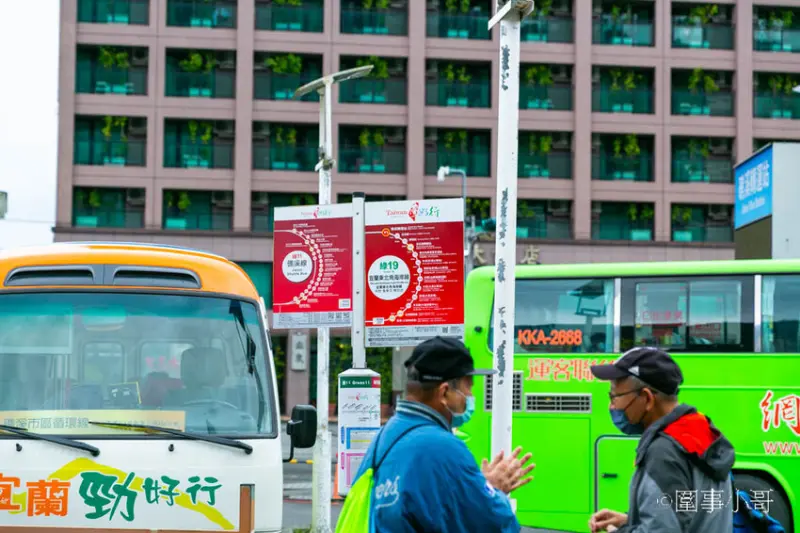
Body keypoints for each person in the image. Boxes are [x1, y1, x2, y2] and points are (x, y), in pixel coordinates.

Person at [350, 336, 535, 532]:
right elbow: (494, 523)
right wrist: (493, 490)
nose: (470, 397)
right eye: (468, 388)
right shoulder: (443, 447)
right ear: (445, 392)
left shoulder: (386, 436)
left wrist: (477, 487)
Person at [588, 346, 735, 533]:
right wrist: (629, 520)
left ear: (647, 398)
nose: (612, 406)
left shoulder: (663, 453)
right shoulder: (700, 431)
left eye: (614, 396)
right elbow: (684, 517)